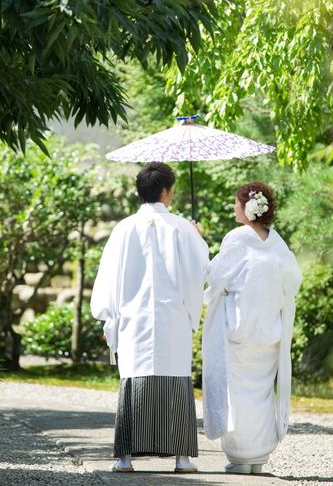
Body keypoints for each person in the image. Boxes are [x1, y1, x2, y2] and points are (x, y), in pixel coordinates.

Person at [90, 162, 209, 473]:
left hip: (133, 318)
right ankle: (182, 459)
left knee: (133, 381)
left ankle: (124, 458)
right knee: (176, 381)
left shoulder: (123, 228)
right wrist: (198, 238)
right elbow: (201, 270)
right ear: (167, 192)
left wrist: (107, 315)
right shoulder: (182, 227)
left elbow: (108, 275)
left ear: (139, 192)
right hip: (173, 317)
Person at [202, 181, 302, 474]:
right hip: (269, 330)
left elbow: (215, 277)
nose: (233, 207)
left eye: (236, 202)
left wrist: (199, 246)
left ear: (247, 207)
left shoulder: (237, 238)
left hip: (240, 329)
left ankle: (241, 457)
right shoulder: (277, 242)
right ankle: (257, 457)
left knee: (238, 394)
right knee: (260, 394)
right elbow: (293, 281)